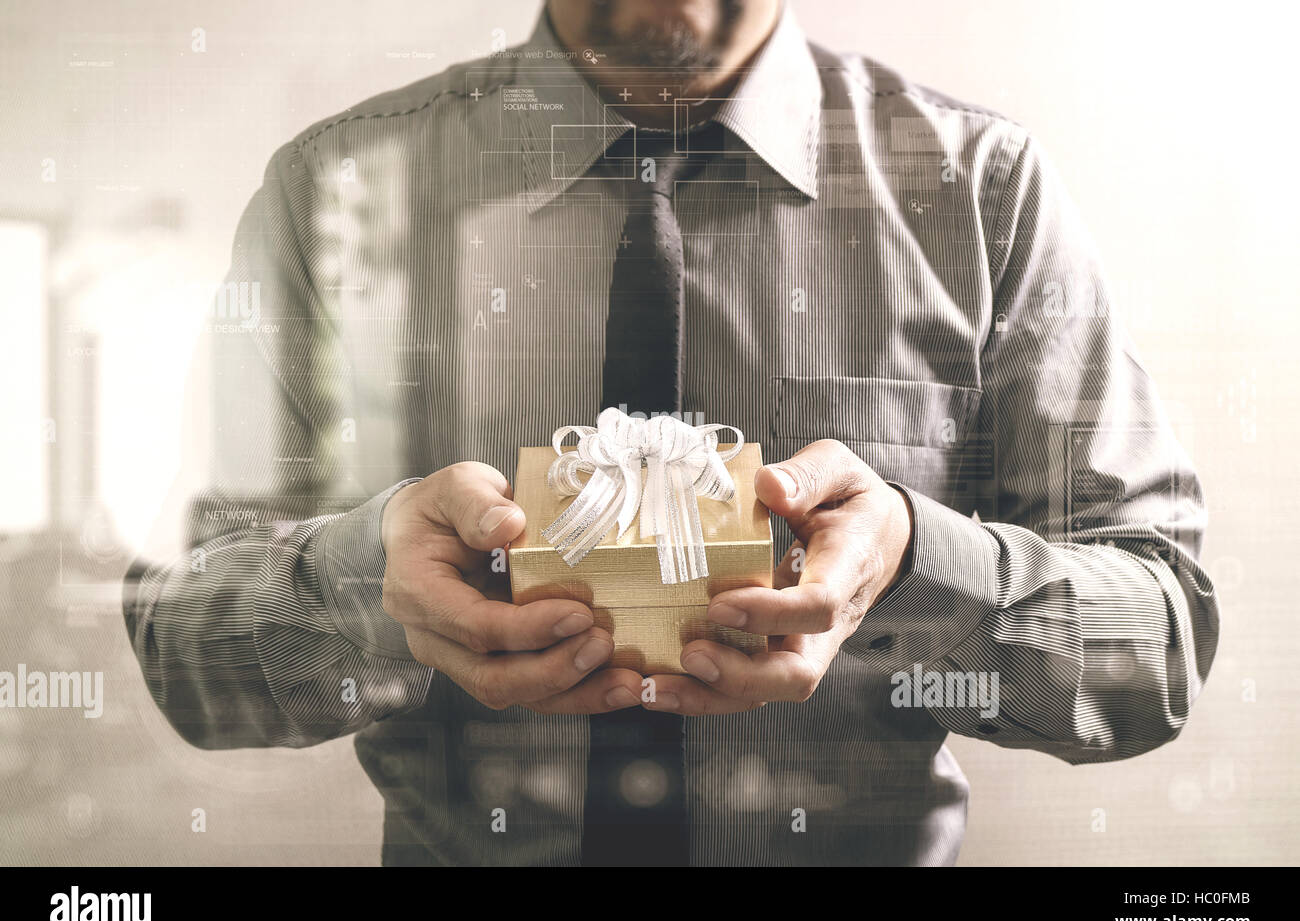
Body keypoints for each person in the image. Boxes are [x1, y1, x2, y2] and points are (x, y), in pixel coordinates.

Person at [123, 0, 1219, 865]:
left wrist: (914, 563)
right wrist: (363, 582)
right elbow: (185, 652)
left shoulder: (983, 196)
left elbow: (1157, 646)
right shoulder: (335, 192)